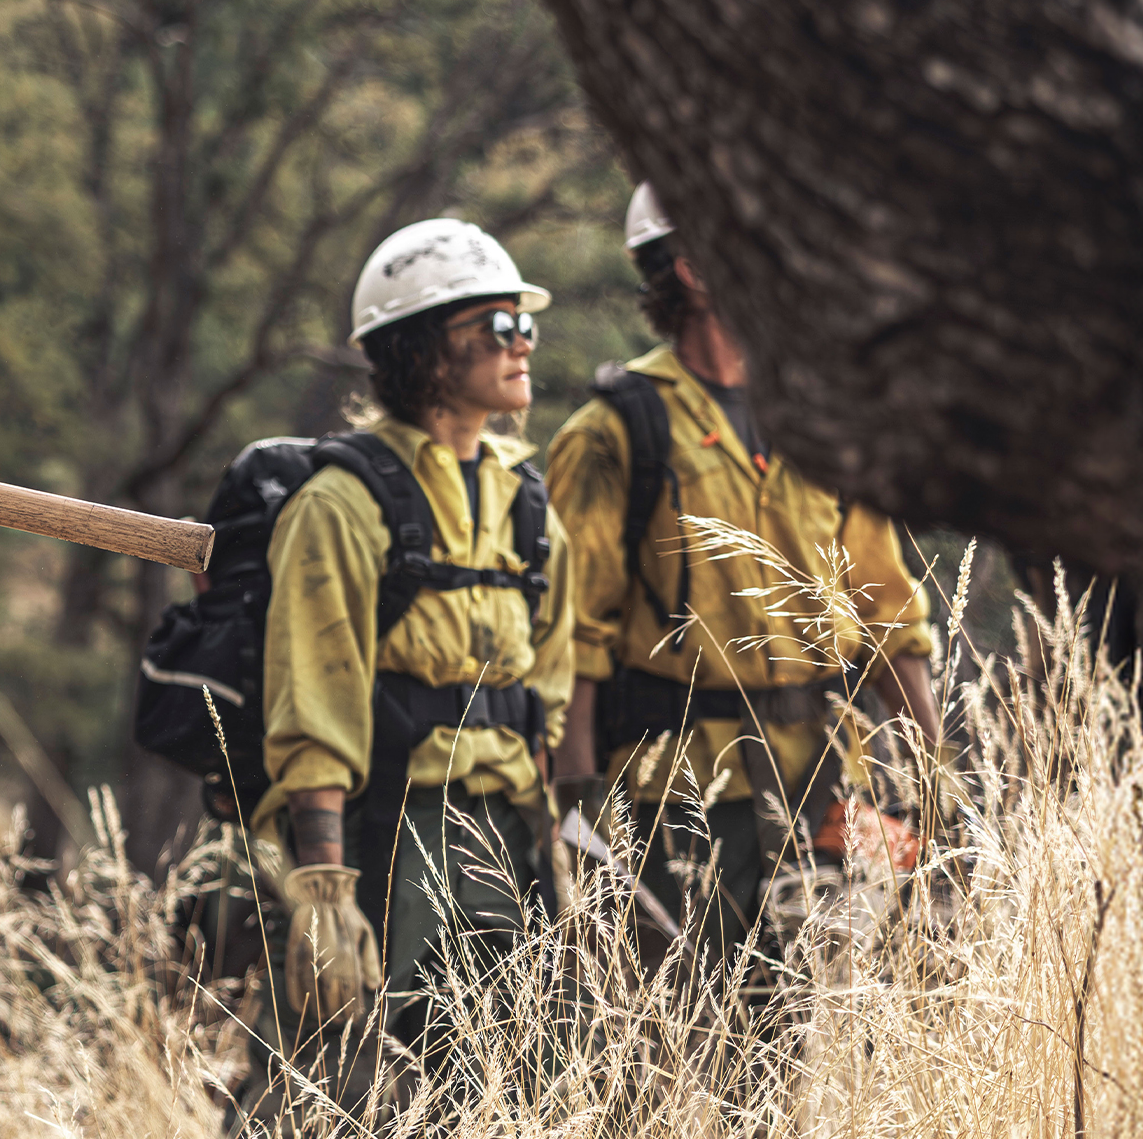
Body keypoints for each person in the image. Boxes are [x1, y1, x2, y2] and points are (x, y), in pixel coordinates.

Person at [543, 183, 944, 980]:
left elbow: (888, 614)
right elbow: (571, 644)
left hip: (834, 786)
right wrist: (578, 818)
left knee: (828, 1037)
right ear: (693, 269)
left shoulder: (819, 414)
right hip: (683, 797)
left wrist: (938, 781)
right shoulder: (612, 432)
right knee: (687, 1044)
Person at [244, 218, 572, 1116]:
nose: (521, 346)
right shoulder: (343, 504)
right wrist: (322, 890)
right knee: (332, 1097)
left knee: (513, 1100)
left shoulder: (528, 503)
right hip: (387, 835)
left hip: (503, 842)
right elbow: (314, 703)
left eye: (525, 325)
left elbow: (547, 690)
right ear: (423, 349)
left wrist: (555, 852)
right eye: (496, 327)